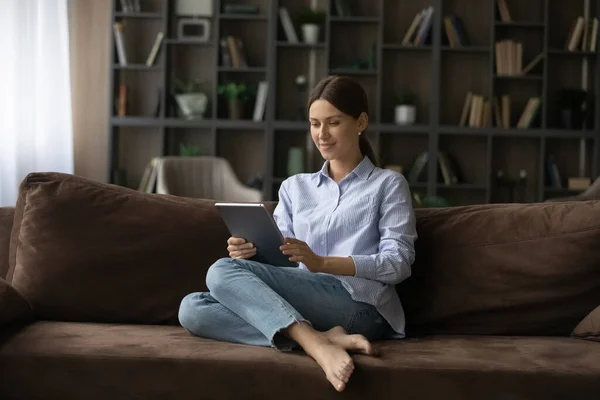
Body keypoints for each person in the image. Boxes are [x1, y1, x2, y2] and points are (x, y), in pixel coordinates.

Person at [178, 75, 417, 392]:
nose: (322, 134)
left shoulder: (388, 185)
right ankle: (316, 339)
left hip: (360, 305)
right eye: (314, 124)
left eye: (333, 122)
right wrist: (251, 253)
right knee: (193, 308)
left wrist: (324, 263)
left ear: (361, 122)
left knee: (220, 271)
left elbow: (398, 263)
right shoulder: (294, 188)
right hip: (306, 302)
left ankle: (314, 344)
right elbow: (285, 263)